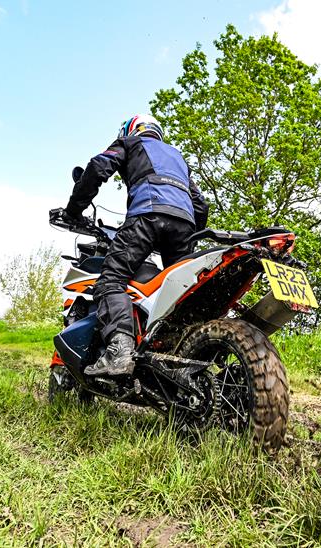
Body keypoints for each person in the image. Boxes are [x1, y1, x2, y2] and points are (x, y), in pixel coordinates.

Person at [54, 114, 208, 376]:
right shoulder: (178, 158)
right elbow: (200, 205)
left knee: (110, 281)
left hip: (146, 215)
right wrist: (189, 231)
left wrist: (72, 211)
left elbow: (97, 167)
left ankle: (120, 350)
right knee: (180, 296)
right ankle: (180, 355)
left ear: (132, 129)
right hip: (184, 226)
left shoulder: (130, 143)